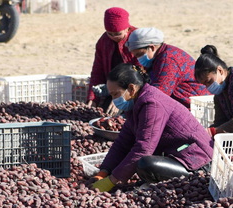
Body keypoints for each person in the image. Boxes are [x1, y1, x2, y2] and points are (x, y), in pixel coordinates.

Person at [91, 64, 214, 192]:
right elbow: (122, 142)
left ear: (131, 89)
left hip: (197, 160)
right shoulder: (135, 104)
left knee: (146, 164)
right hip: (176, 154)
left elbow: (144, 148)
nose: (114, 100)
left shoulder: (152, 104)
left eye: (116, 94)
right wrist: (104, 172)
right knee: (139, 162)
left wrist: (113, 180)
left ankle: (193, 181)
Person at [126, 27, 207, 108]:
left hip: (194, 106)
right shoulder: (158, 57)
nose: (138, 58)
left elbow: (159, 94)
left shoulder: (168, 59)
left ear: (152, 48)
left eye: (139, 54)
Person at [88, 7, 138, 113]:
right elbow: (98, 71)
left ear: (127, 28)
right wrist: (92, 98)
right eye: (109, 33)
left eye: (118, 34)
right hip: (112, 89)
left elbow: (140, 74)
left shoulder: (138, 39)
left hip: (136, 91)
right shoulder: (103, 41)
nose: (113, 37)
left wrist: (123, 98)